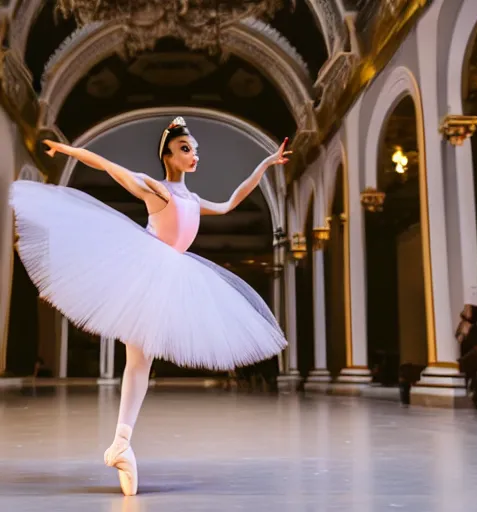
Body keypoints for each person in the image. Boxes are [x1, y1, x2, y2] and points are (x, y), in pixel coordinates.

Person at [9, 116, 290, 496]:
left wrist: (265, 164)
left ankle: (121, 443)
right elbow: (108, 167)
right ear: (169, 155)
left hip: (171, 273)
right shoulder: (158, 190)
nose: (193, 156)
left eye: (195, 150)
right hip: (146, 267)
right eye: (185, 149)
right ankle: (121, 443)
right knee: (138, 362)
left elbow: (230, 203)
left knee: (140, 363)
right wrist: (67, 151)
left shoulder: (192, 199)